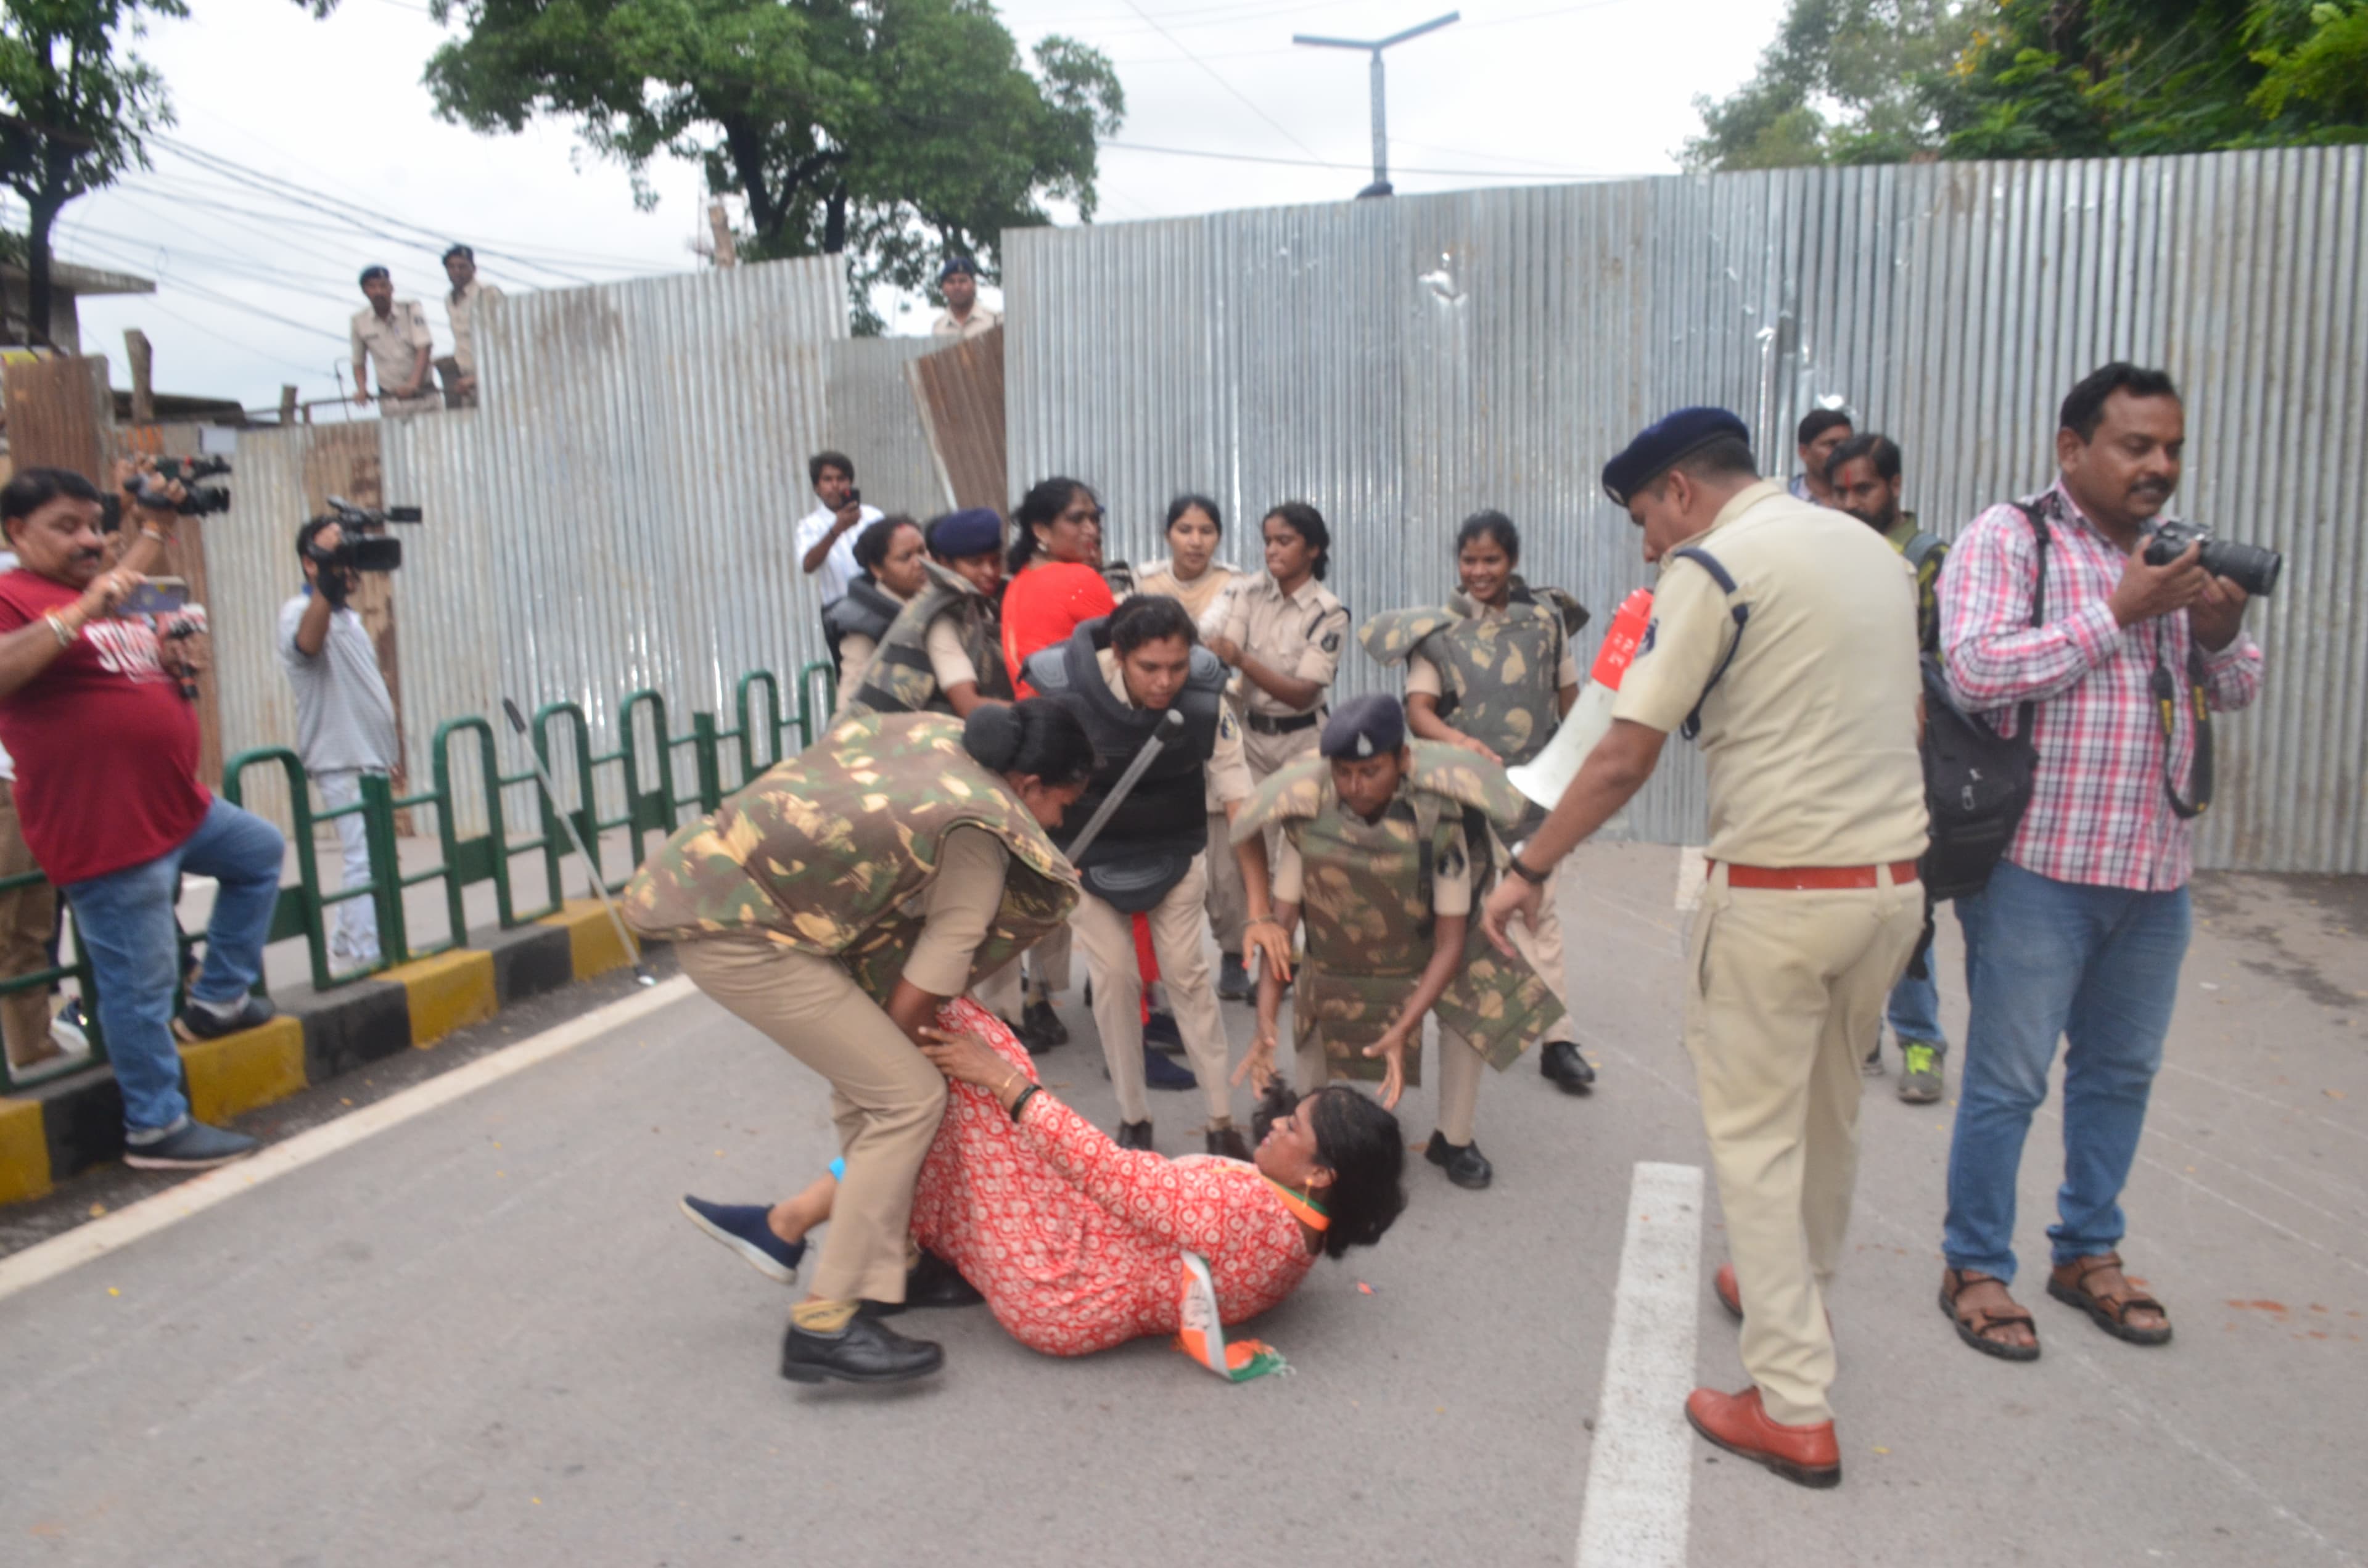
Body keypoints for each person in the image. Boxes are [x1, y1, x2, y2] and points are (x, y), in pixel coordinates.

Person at [1479, 408, 1926, 1488]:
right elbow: (1905, 721)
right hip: (1892, 891)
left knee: (1759, 1139)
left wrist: (1530, 866)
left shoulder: (1714, 565)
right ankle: (1795, 1288)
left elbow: (1625, 752)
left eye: (1643, 517)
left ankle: (1791, 1402)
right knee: (1829, 1110)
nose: (1644, 544)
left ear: (1679, 490)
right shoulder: (1869, 551)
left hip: (1779, 894)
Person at [1933, 364, 2262, 1363]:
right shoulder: (2012, 536)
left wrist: (2218, 630)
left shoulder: (2179, 553)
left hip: (2155, 870)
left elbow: (2238, 688)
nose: (2159, 466)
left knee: (2119, 1075)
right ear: (2073, 448)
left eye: (2171, 448)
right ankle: (1976, 1264)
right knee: (2008, 1081)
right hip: (2038, 865)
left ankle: (2087, 1252)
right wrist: (2119, 609)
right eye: (2136, 446)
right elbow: (1977, 668)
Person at [623, 701, 1096, 1386]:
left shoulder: (938, 736)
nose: (1056, 824)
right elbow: (920, 993)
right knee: (907, 1097)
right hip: (745, 937)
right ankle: (824, 1320)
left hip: (720, 888)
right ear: (1027, 784)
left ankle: (888, 1265)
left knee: (877, 1087)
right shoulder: (981, 837)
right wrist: (909, 1062)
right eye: (1061, 804)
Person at [681, 1008, 1406, 1365]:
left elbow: (1116, 1175)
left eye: (1294, 1130)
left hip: (1059, 1275)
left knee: (972, 1058)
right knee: (962, 1100)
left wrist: (1009, 1084)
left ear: (1321, 1174)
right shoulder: (1295, 1226)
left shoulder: (1252, 1212)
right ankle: (790, 1221)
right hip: (1073, 1255)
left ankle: (802, 1233)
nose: (1276, 1124)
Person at [0, 469, 289, 1169]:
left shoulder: (90, 592)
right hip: (106, 825)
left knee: (258, 851)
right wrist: (87, 605)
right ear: (16, 534)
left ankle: (219, 997)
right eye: (66, 526)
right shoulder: (16, 597)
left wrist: (165, 651)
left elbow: (119, 606)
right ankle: (156, 1126)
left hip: (173, 804)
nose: (90, 539)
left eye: (94, 525)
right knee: (140, 981)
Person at [1234, 696, 1564, 1191]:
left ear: (1403, 760)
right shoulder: (1308, 812)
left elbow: (1451, 945)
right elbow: (1281, 929)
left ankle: (1454, 1137)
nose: (1355, 786)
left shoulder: (1440, 817)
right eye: (1343, 771)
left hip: (1427, 946)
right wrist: (1264, 1022)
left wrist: (1403, 1026)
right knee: (1310, 1017)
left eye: (1371, 770)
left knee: (1469, 1006)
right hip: (1342, 948)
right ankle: (1313, 1136)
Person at [1021, 596, 1292, 1156]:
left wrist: (1260, 911)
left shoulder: (1204, 697)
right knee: (1116, 976)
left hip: (1175, 849)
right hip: (1087, 856)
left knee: (1189, 976)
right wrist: (1042, 856)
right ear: (1119, 654)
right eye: (1150, 667)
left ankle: (1221, 1121)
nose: (1166, 681)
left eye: (1178, 665)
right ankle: (1134, 1119)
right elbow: (1025, 782)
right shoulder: (1062, 688)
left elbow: (1240, 802)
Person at [1362, 509, 1600, 1097]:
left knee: (1536, 909)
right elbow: (1419, 709)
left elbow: (1571, 701)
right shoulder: (1437, 632)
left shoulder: (1546, 622)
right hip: (1460, 791)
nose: (1479, 571)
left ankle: (1557, 1040)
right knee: (1458, 912)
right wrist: (1459, 741)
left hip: (1534, 790)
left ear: (1511, 561)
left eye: (1491, 560)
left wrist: (1587, 767)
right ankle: (1470, 1022)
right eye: (1469, 560)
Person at [1827, 432, 1952, 1101]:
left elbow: (1939, 660)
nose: (1850, 503)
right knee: (1856, 900)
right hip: (1849, 756)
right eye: (1840, 491)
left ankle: (1922, 1040)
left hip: (1910, 759)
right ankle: (1865, 1026)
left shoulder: (1929, 560)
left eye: (1864, 489)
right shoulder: (1838, 553)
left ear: (1895, 487)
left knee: (1911, 907)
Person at [998, 477, 1115, 1043]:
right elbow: (1121, 665)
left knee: (1038, 876)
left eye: (1095, 516)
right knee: (1084, 879)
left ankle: (1035, 997)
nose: (1091, 528)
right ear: (1042, 530)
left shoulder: (1017, 584)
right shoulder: (1081, 581)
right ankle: (1113, 988)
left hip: (1028, 749)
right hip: (1076, 749)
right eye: (1077, 519)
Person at [1132, 494, 1252, 998]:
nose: (1196, 540)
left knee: (1226, 865)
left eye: (1206, 530)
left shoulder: (1238, 586)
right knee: (1153, 858)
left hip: (1216, 729)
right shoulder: (1143, 583)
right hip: (1155, 739)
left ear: (1218, 536)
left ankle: (1231, 951)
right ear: (1168, 534)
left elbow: (1236, 661)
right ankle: (1150, 971)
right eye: (1185, 529)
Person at [281, 515, 403, 969]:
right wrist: (326, 588)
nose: (347, 563)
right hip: (341, 758)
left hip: (369, 757)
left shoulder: (348, 618)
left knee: (373, 855)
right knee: (366, 858)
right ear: (310, 563)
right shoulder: (299, 612)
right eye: (336, 552)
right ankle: (371, 951)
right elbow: (307, 646)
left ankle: (347, 944)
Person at [1209, 501, 1349, 840]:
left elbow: (1303, 694)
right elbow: (1224, 653)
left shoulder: (1328, 613)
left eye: (1284, 542)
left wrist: (1243, 660)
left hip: (1302, 742)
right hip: (1252, 741)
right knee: (1251, 837)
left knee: (1303, 842)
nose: (1271, 551)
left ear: (1313, 549)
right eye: (1268, 541)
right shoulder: (1251, 592)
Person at [844, 508, 1011, 721]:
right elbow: (968, 706)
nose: (920, 564)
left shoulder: (982, 601)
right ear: (945, 563)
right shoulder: (937, 616)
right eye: (975, 563)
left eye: (922, 552)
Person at [823, 514, 927, 718]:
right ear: (877, 569)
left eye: (923, 551)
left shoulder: (934, 600)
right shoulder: (862, 625)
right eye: (906, 557)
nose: (920, 563)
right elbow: (851, 697)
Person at [792, 451, 882, 608]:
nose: (835, 485)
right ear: (816, 488)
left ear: (850, 482)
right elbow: (808, 565)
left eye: (841, 479)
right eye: (828, 479)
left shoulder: (873, 516)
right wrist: (837, 529)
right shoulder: (809, 526)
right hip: (840, 611)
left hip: (879, 604)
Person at [348, 266, 438, 416]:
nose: (379, 292)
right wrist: (362, 389)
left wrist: (413, 385)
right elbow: (358, 361)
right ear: (365, 291)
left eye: (383, 286)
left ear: (391, 288)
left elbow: (424, 347)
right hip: (391, 400)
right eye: (372, 287)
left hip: (424, 396)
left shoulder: (410, 309)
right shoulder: (359, 321)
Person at [440, 244, 503, 408]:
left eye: (462, 267)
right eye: (452, 267)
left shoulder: (487, 293)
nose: (457, 272)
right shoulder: (449, 300)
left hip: (493, 377)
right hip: (465, 381)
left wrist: (479, 377)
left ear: (473, 269)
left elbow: (503, 339)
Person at [1788, 408, 1853, 508]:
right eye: (1832, 444)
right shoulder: (1783, 498)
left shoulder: (1858, 503)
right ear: (1804, 452)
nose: (1842, 451)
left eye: (1848, 444)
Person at [930, 256, 1001, 339]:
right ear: (943, 288)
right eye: (951, 282)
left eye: (962, 281)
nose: (957, 287)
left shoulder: (994, 320)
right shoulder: (938, 328)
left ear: (974, 285)